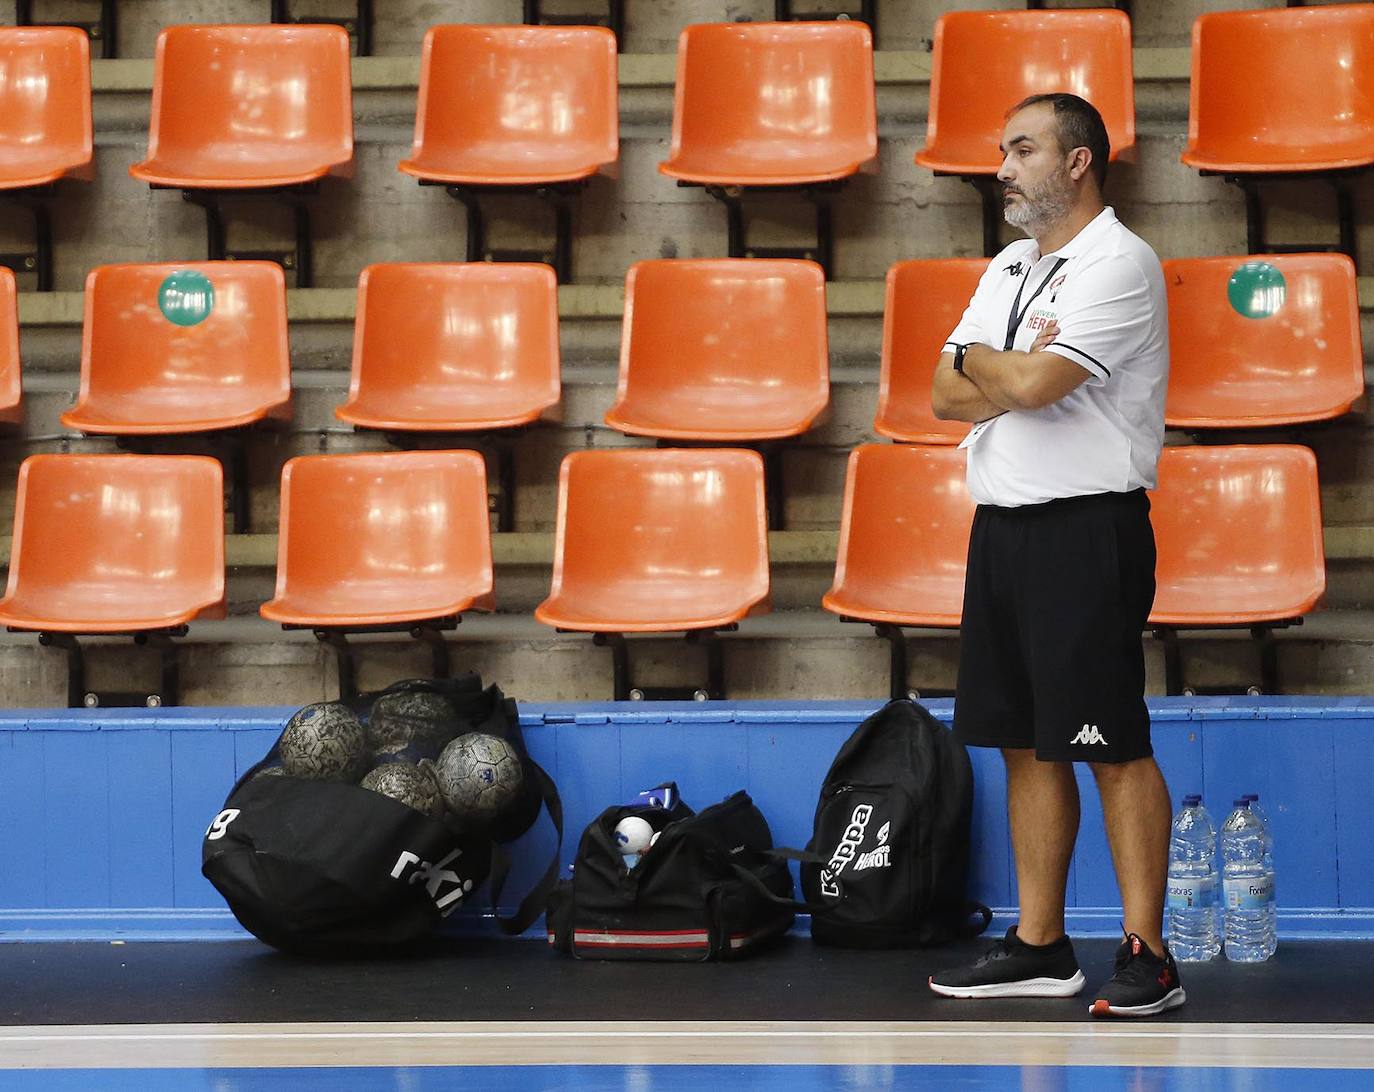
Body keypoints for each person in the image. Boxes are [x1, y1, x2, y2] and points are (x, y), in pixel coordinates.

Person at [925, 93, 1182, 1018]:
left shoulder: (1120, 261)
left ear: (1078, 163)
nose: (1002, 166)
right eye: (1003, 149)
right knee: (1025, 746)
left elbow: (1026, 382)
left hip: (1087, 532)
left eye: (1022, 149)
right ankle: (1041, 945)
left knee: (1108, 742)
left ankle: (1149, 956)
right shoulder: (1008, 265)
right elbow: (937, 393)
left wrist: (991, 365)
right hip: (1003, 527)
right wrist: (1003, 371)